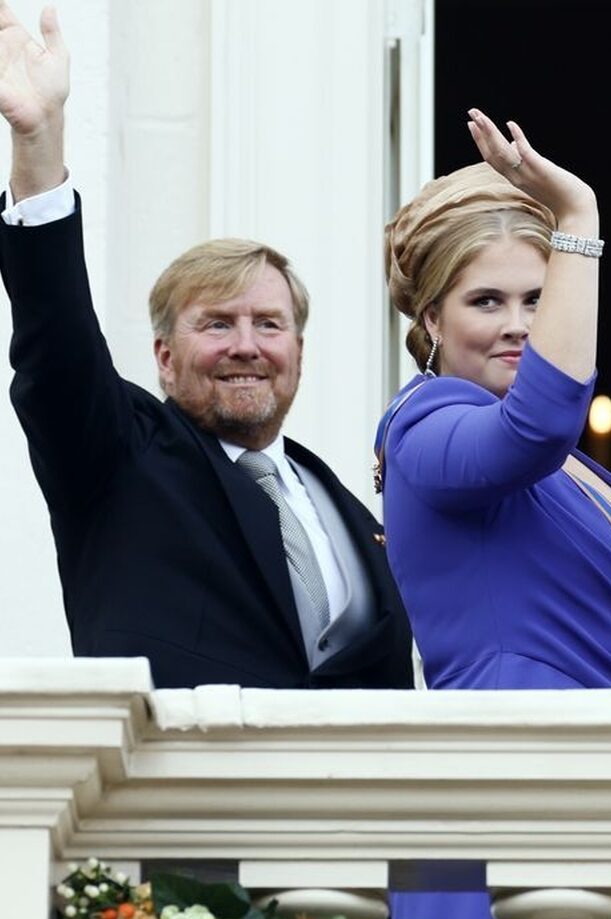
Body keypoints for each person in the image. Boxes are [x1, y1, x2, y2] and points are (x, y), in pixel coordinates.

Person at [0, 4, 414, 690]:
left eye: (269, 325)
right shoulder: (121, 457)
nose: (247, 346)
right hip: (183, 762)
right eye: (218, 324)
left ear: (299, 353)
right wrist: (39, 142)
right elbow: (58, 342)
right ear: (164, 358)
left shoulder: (348, 511)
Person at [375, 110, 611, 919]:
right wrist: (577, 219)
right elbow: (540, 423)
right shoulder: (425, 421)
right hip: (505, 791)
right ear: (431, 321)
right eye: (487, 301)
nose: (519, 323)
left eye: (536, 298)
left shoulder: (573, 470)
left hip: (604, 800)